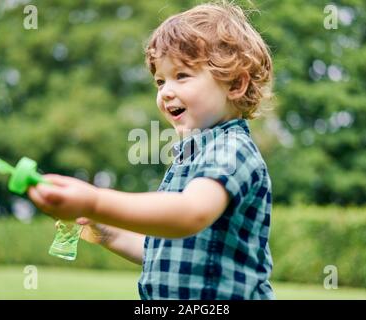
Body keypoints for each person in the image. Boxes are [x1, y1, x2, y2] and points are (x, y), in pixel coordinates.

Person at [28, 1, 274, 300]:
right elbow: (162, 251)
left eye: (182, 75)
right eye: (160, 80)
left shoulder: (232, 149)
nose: (165, 91)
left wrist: (94, 201)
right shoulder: (190, 156)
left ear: (235, 84)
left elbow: (189, 214)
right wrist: (108, 231)